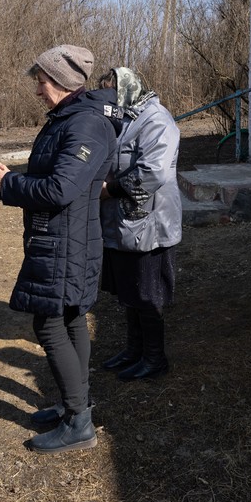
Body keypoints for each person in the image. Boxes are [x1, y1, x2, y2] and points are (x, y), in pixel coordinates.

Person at [0, 45, 118, 454]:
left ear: (61, 81)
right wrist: (10, 181)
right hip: (60, 237)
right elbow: (54, 175)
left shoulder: (86, 124)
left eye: (41, 82)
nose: (38, 90)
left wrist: (8, 183)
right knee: (70, 316)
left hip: (67, 241)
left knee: (50, 323)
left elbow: (60, 189)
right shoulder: (70, 118)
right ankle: (75, 403)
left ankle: (79, 421)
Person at [97, 67, 181, 380]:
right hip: (125, 221)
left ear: (128, 90)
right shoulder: (126, 117)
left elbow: (154, 172)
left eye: (112, 92)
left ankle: (155, 358)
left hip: (150, 221)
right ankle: (134, 350)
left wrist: (110, 190)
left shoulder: (156, 119)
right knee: (130, 290)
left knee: (147, 293)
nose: (109, 99)